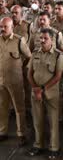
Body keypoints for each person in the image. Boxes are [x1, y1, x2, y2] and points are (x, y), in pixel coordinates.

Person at [27, 28, 63, 159]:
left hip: (51, 94)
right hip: (35, 92)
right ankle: (38, 144)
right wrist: (35, 88)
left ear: (52, 40)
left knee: (53, 121)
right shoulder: (35, 53)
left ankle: (54, 147)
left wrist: (42, 89)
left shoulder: (58, 55)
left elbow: (58, 76)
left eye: (45, 38)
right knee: (37, 120)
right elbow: (29, 73)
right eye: (41, 38)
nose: (42, 41)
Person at [0, 17, 32, 146]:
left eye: (5, 27)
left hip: (15, 80)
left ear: (12, 27)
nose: (2, 29)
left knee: (19, 108)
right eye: (1, 26)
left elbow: (29, 56)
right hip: (1, 80)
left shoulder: (19, 41)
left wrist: (22, 68)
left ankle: (21, 134)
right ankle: (2, 132)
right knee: (2, 107)